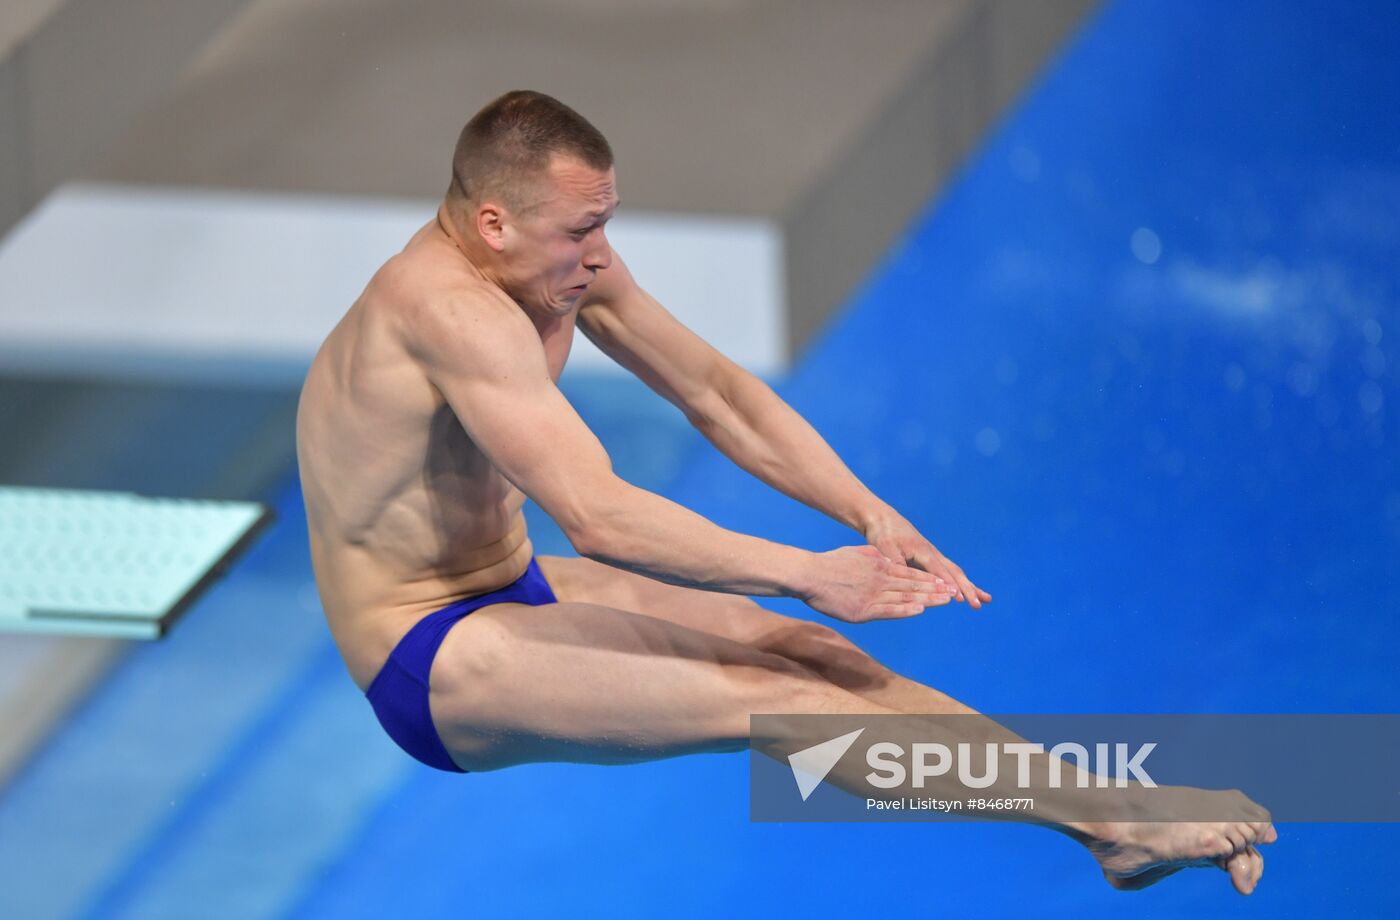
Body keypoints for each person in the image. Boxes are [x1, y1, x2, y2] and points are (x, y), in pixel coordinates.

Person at [296, 90, 1274, 894]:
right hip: (427, 649)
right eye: (579, 231)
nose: (598, 256)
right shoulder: (447, 313)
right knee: (786, 707)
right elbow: (596, 514)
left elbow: (716, 393)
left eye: (606, 223)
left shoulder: (553, 261)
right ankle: (1117, 817)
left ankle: (1105, 824)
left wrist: (866, 512)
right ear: (491, 222)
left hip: (510, 580)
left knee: (818, 656)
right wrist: (807, 570)